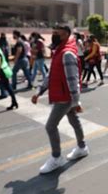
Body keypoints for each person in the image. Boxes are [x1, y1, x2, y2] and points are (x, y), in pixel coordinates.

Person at [31, 25, 89, 174]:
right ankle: (82, 147)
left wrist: (76, 102)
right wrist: (39, 91)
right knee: (73, 120)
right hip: (62, 94)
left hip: (65, 97)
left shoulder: (67, 53)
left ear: (65, 34)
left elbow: (73, 79)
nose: (53, 35)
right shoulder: (59, 51)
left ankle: (56, 157)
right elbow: (51, 75)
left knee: (50, 126)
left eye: (56, 33)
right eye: (53, 32)